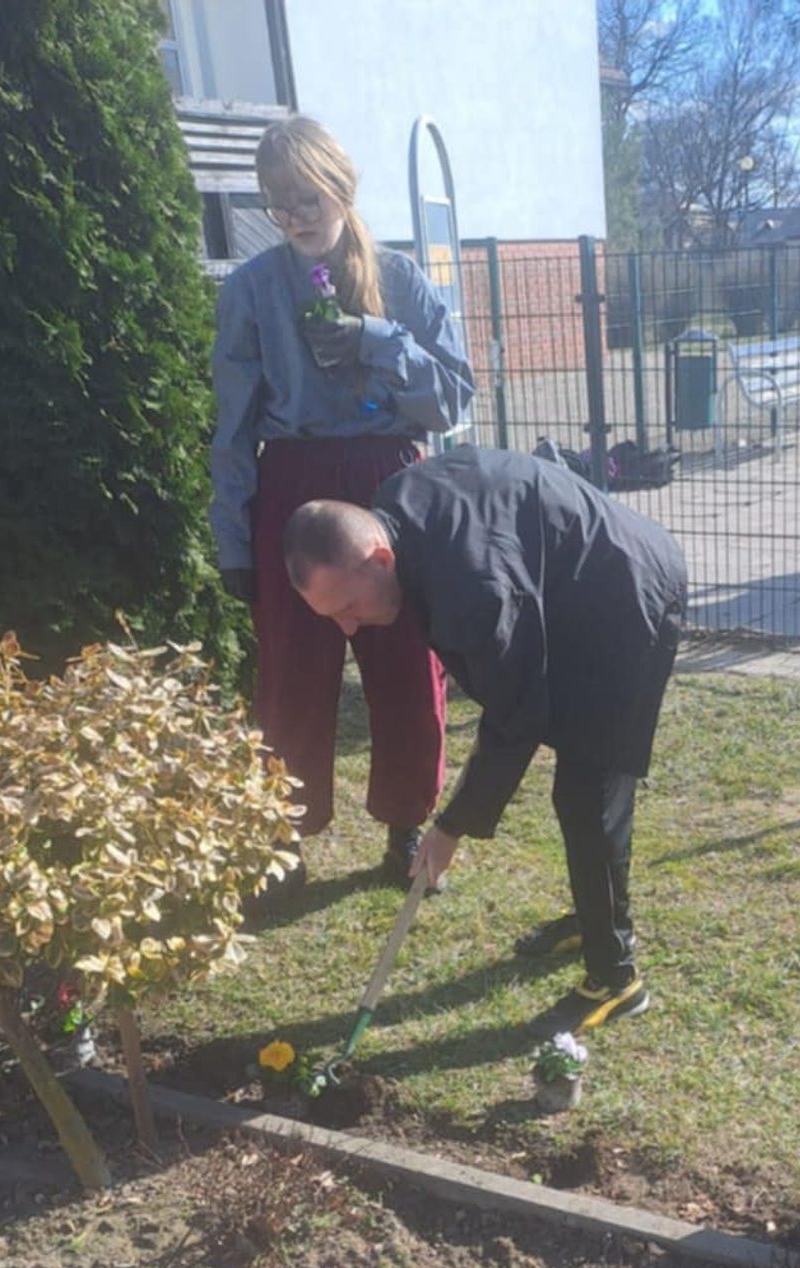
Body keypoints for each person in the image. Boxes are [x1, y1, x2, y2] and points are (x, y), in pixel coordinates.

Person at [282, 446, 688, 1032]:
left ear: (379, 557)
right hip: (566, 587)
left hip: (627, 598)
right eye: (332, 616)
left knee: (587, 794)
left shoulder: (472, 589)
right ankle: (594, 918)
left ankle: (616, 976)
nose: (348, 626)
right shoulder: (397, 508)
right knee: (580, 789)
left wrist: (450, 826)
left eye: (348, 606)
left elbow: (516, 716)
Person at [210, 116, 474, 899]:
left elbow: (452, 399)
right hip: (291, 485)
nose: (294, 216)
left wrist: (376, 339)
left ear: (340, 186)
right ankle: (284, 841)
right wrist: (234, 542)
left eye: (306, 196)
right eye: (277, 202)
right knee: (291, 678)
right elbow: (232, 427)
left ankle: (406, 828)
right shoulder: (251, 290)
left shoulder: (401, 279)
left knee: (408, 667)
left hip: (390, 482)